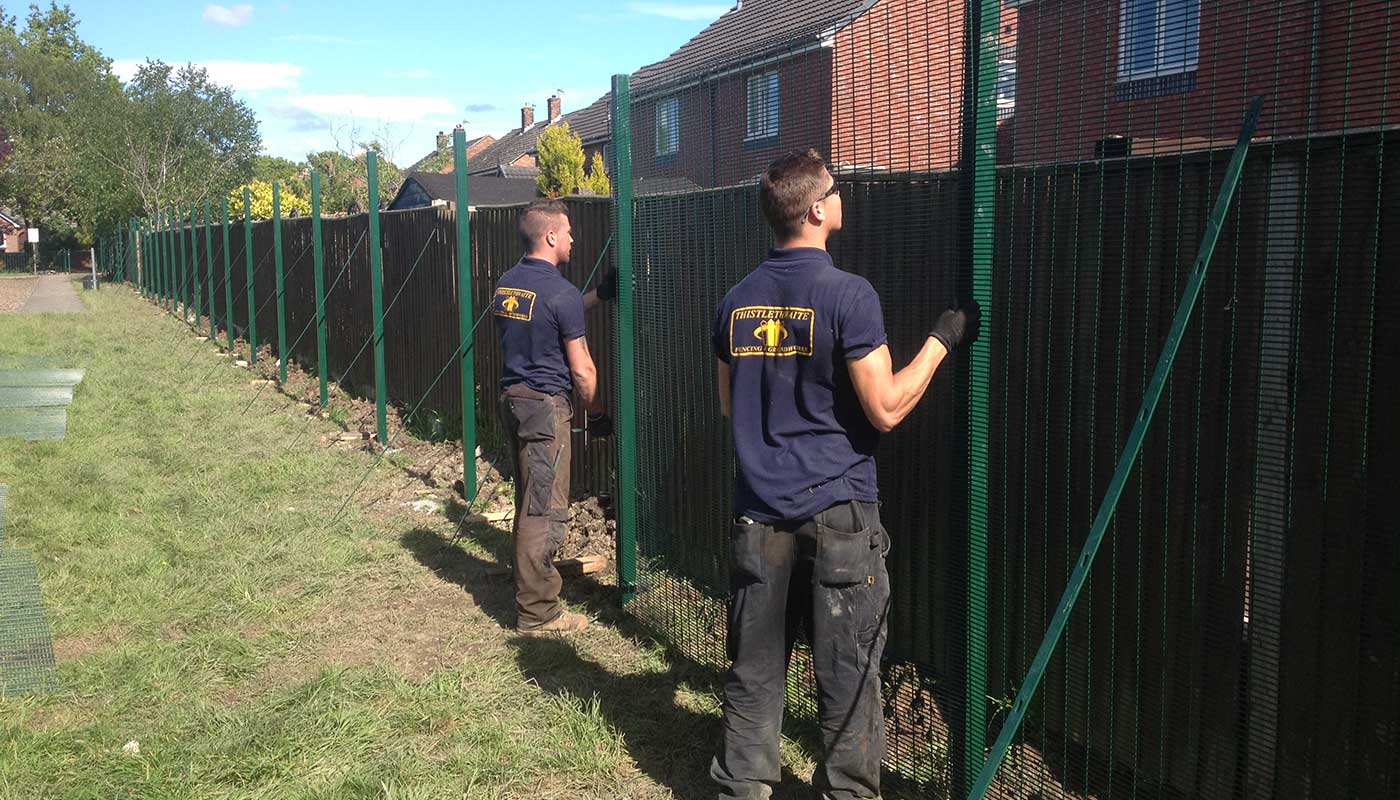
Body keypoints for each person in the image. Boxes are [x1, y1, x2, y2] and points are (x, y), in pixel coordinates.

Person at [709, 149, 978, 799]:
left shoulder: (737, 302)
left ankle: (742, 788)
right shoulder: (847, 295)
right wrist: (944, 338)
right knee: (848, 676)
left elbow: (727, 403)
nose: (841, 197)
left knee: (754, 672)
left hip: (758, 517)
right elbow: (884, 406)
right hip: (838, 518)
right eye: (835, 189)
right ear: (817, 209)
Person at [493, 200, 613, 635]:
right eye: (567, 232)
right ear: (550, 237)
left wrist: (597, 296)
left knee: (528, 498)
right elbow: (582, 369)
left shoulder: (509, 285)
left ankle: (528, 583)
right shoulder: (559, 292)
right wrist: (597, 412)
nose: (572, 238)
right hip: (545, 409)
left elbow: (548, 315)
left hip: (513, 400)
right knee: (544, 509)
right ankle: (538, 612)